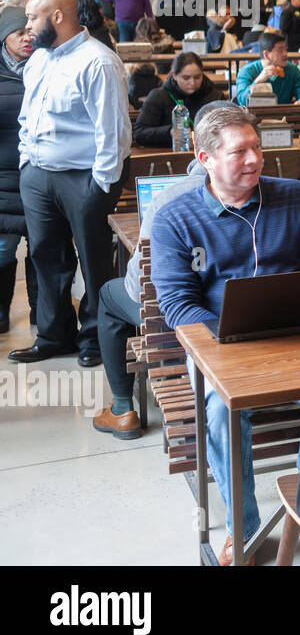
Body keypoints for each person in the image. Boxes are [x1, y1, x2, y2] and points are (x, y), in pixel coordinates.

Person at [149, 105, 300, 564]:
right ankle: (244, 529)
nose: (253, 160)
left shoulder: (297, 196)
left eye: (257, 148)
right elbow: (177, 306)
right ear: (205, 158)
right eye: (239, 152)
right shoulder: (176, 218)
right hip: (220, 344)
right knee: (217, 411)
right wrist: (229, 335)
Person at [91, 100, 234, 441]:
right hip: (248, 318)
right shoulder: (280, 193)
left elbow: (140, 280)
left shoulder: (170, 200)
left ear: (196, 145)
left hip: (183, 323)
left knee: (109, 296)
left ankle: (124, 409)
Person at [8, 0, 131, 367]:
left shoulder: (98, 62)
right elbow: (28, 117)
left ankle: (95, 338)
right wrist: (28, 163)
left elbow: (113, 133)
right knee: (46, 257)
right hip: (39, 175)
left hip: (84, 178)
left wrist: (100, 186)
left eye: (32, 18)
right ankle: (53, 336)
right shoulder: (39, 60)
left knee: (93, 260)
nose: (27, 28)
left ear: (57, 17)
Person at [0, 7, 36, 334]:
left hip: (41, 175)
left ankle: (46, 315)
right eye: (18, 33)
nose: (27, 38)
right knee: (1, 250)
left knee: (44, 249)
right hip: (3, 179)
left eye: (29, 31)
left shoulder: (47, 66)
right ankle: (1, 314)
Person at [133, 51, 224, 147]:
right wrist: (170, 132)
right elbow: (139, 133)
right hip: (169, 155)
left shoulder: (215, 96)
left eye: (197, 77)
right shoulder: (159, 96)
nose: (192, 82)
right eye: (186, 78)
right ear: (174, 76)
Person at [234, 31, 300, 105]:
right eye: (280, 50)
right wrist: (258, 81)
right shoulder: (246, 71)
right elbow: (242, 101)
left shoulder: (292, 69)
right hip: (254, 116)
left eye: (285, 49)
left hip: (284, 115)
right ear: (266, 54)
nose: (285, 54)